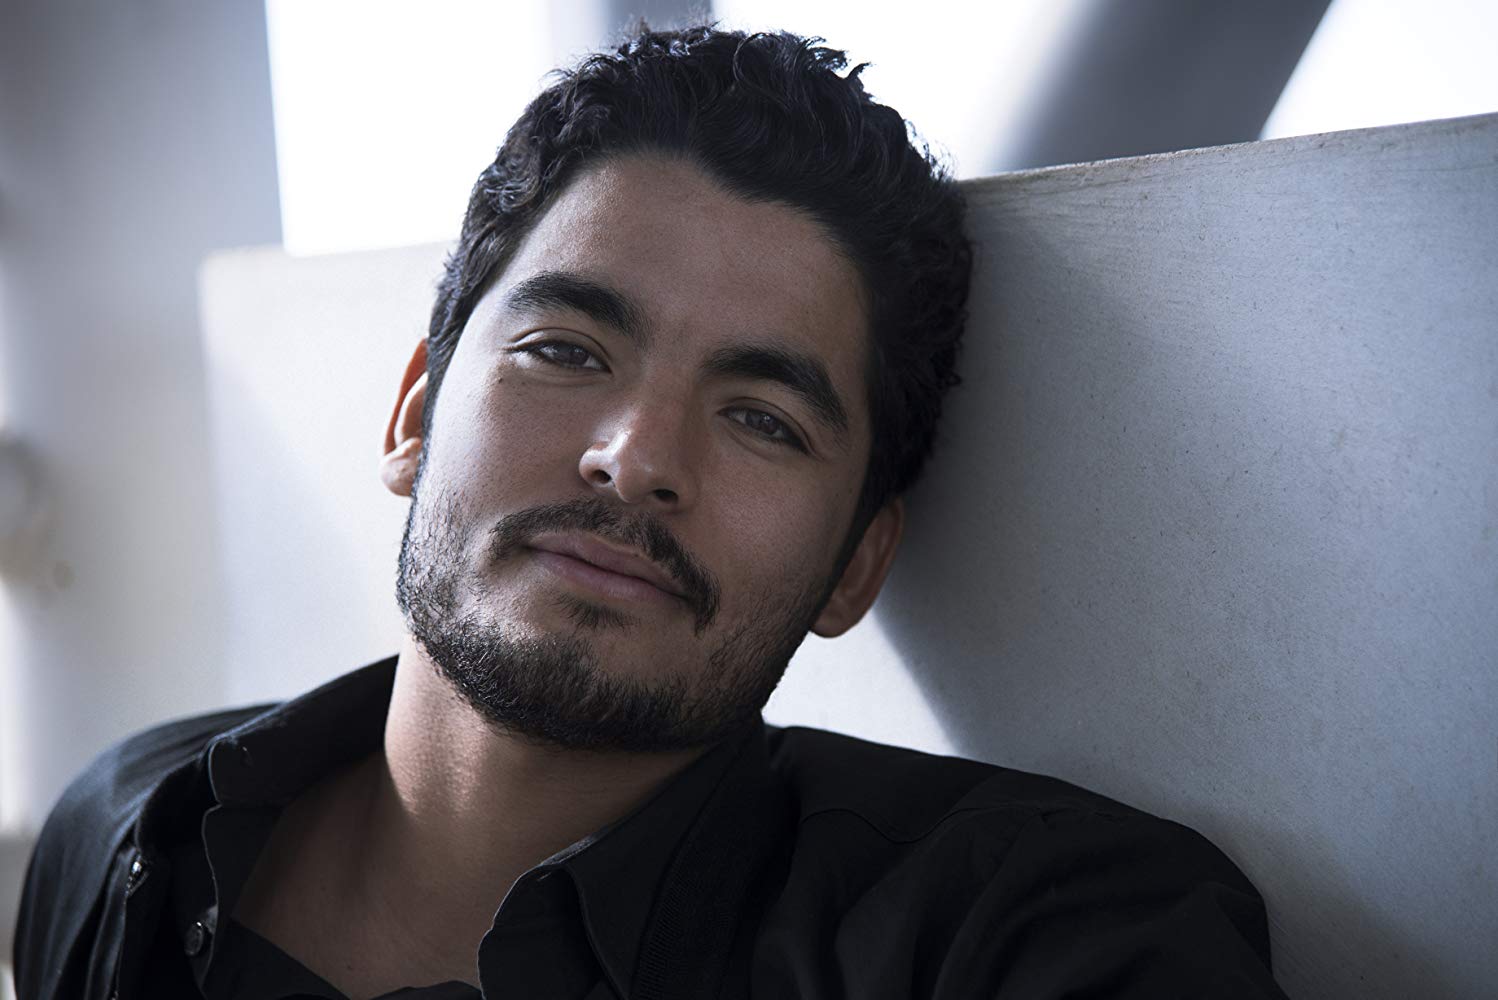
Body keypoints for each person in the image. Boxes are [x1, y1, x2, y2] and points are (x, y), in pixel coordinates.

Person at [12, 22, 1287, 1000]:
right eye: (566, 350)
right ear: (413, 413)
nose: (635, 459)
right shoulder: (127, 824)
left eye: (762, 419)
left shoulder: (1027, 938)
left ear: (856, 565)